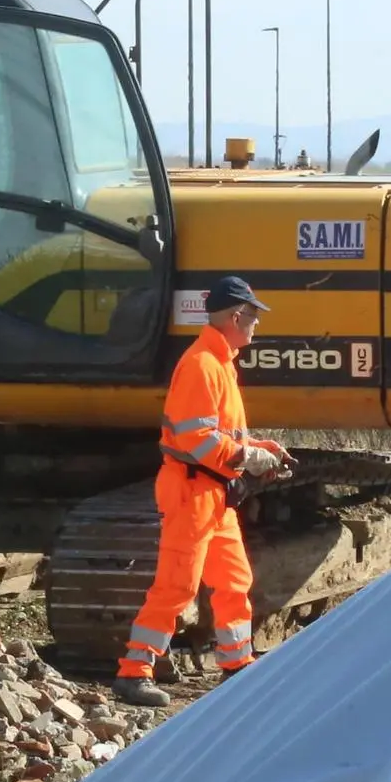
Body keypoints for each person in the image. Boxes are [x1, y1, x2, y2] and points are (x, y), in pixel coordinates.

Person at [115, 275, 291, 707]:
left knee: (235, 580)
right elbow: (199, 442)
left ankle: (236, 665)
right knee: (176, 586)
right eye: (252, 317)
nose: (255, 326)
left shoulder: (219, 362)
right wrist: (249, 459)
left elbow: (216, 434)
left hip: (214, 494)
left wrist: (258, 448)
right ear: (234, 316)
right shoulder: (202, 366)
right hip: (193, 494)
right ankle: (133, 672)